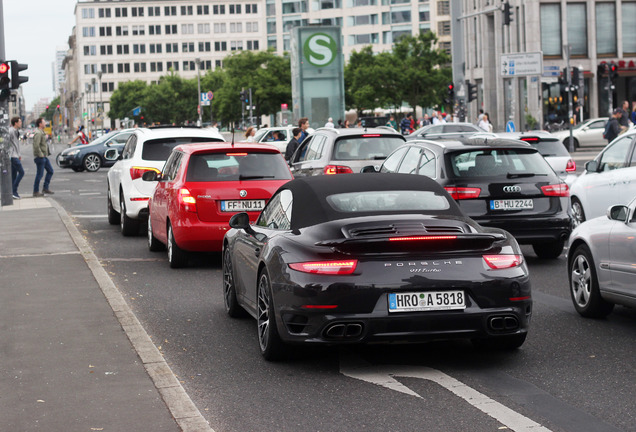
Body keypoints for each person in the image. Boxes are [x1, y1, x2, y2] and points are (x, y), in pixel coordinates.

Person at [32, 117, 54, 197]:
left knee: (50, 171)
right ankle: (35, 191)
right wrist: (41, 154)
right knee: (39, 174)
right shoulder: (38, 133)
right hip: (40, 157)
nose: (45, 124)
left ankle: (45, 188)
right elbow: (36, 145)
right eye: (44, 122)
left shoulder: (41, 132)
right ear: (40, 124)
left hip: (44, 156)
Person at [8, 117, 24, 199]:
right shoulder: (10, 131)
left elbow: (16, 143)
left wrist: (19, 154)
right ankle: (14, 191)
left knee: (13, 175)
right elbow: (7, 142)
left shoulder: (17, 131)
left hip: (16, 155)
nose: (21, 123)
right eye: (20, 122)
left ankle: (12, 192)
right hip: (12, 155)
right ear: (16, 123)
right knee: (21, 172)